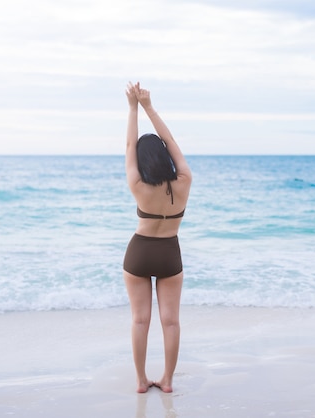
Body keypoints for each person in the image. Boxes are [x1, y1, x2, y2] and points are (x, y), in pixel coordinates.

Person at [123, 81, 192, 393]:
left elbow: (128, 148)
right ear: (164, 158)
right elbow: (171, 140)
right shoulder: (184, 182)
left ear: (142, 160)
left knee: (140, 321)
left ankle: (140, 381)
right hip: (169, 253)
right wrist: (150, 106)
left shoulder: (138, 186)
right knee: (171, 322)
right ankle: (166, 381)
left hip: (139, 253)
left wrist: (133, 107)